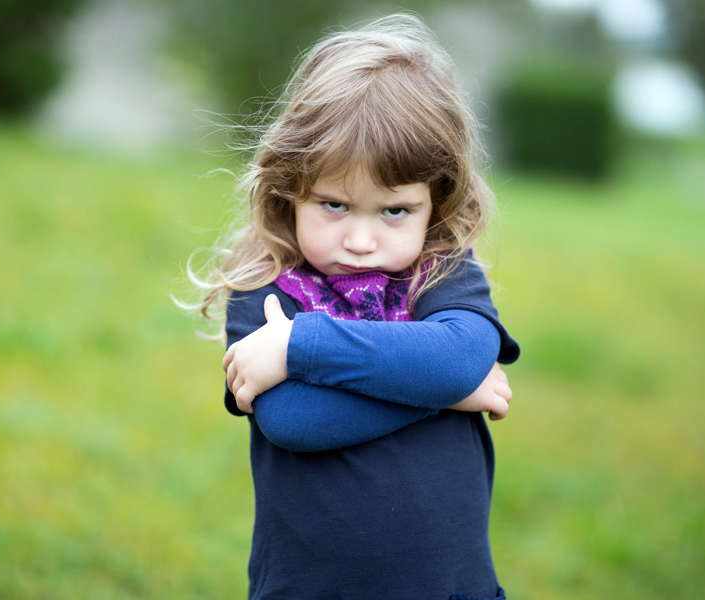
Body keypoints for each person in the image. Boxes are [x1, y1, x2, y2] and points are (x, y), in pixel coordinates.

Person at [190, 13, 520, 600]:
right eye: (334, 205)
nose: (362, 241)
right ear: (289, 186)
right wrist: (450, 391)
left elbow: (461, 355)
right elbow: (295, 420)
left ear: (436, 201)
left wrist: (299, 346)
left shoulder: (441, 270)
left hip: (452, 588)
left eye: (395, 211)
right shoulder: (265, 286)